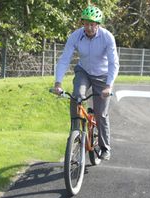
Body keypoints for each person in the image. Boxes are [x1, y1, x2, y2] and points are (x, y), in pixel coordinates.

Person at [53, 5, 119, 160]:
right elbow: (64, 59)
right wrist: (58, 83)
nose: (89, 27)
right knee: (77, 96)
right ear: (82, 23)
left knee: (101, 113)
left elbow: (113, 63)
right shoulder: (75, 36)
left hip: (102, 76)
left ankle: (105, 147)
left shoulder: (107, 37)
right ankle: (75, 132)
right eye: (86, 23)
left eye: (92, 24)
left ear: (98, 24)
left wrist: (109, 86)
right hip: (84, 72)